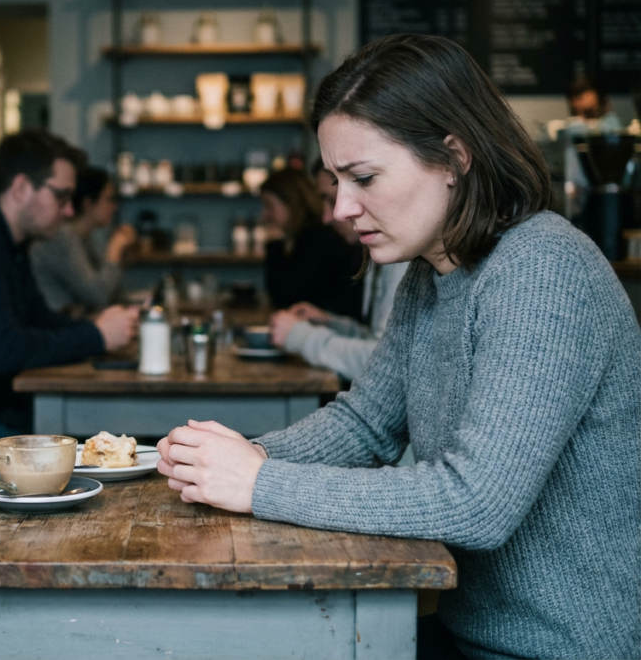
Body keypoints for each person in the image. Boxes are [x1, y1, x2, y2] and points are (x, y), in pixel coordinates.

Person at [157, 33, 640, 659]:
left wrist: (260, 483)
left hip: (562, 649)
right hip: (475, 634)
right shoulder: (432, 270)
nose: (340, 208)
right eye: (334, 180)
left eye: (363, 177)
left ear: (454, 158)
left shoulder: (542, 267)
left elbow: (477, 502)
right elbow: (367, 424)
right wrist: (235, 457)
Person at [0, 130, 138, 436]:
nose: (69, 210)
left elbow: (38, 319)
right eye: (61, 195)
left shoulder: (9, 241)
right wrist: (97, 336)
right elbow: (5, 352)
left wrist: (99, 328)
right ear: (20, 188)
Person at [268, 160, 408, 381]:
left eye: (332, 201)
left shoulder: (402, 259)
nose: (326, 217)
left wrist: (301, 337)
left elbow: (387, 366)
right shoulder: (377, 254)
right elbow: (378, 341)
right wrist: (331, 324)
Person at [30, 165, 136, 315]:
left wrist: (121, 259)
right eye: (109, 199)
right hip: (54, 328)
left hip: (68, 325)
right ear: (88, 203)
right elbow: (97, 296)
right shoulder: (63, 235)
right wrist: (114, 250)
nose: (115, 207)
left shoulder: (85, 237)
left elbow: (111, 295)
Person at [260, 167, 362, 318]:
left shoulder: (322, 240)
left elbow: (287, 295)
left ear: (291, 202)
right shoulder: (288, 242)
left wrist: (274, 246)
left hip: (326, 334)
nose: (264, 213)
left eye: (270, 205)